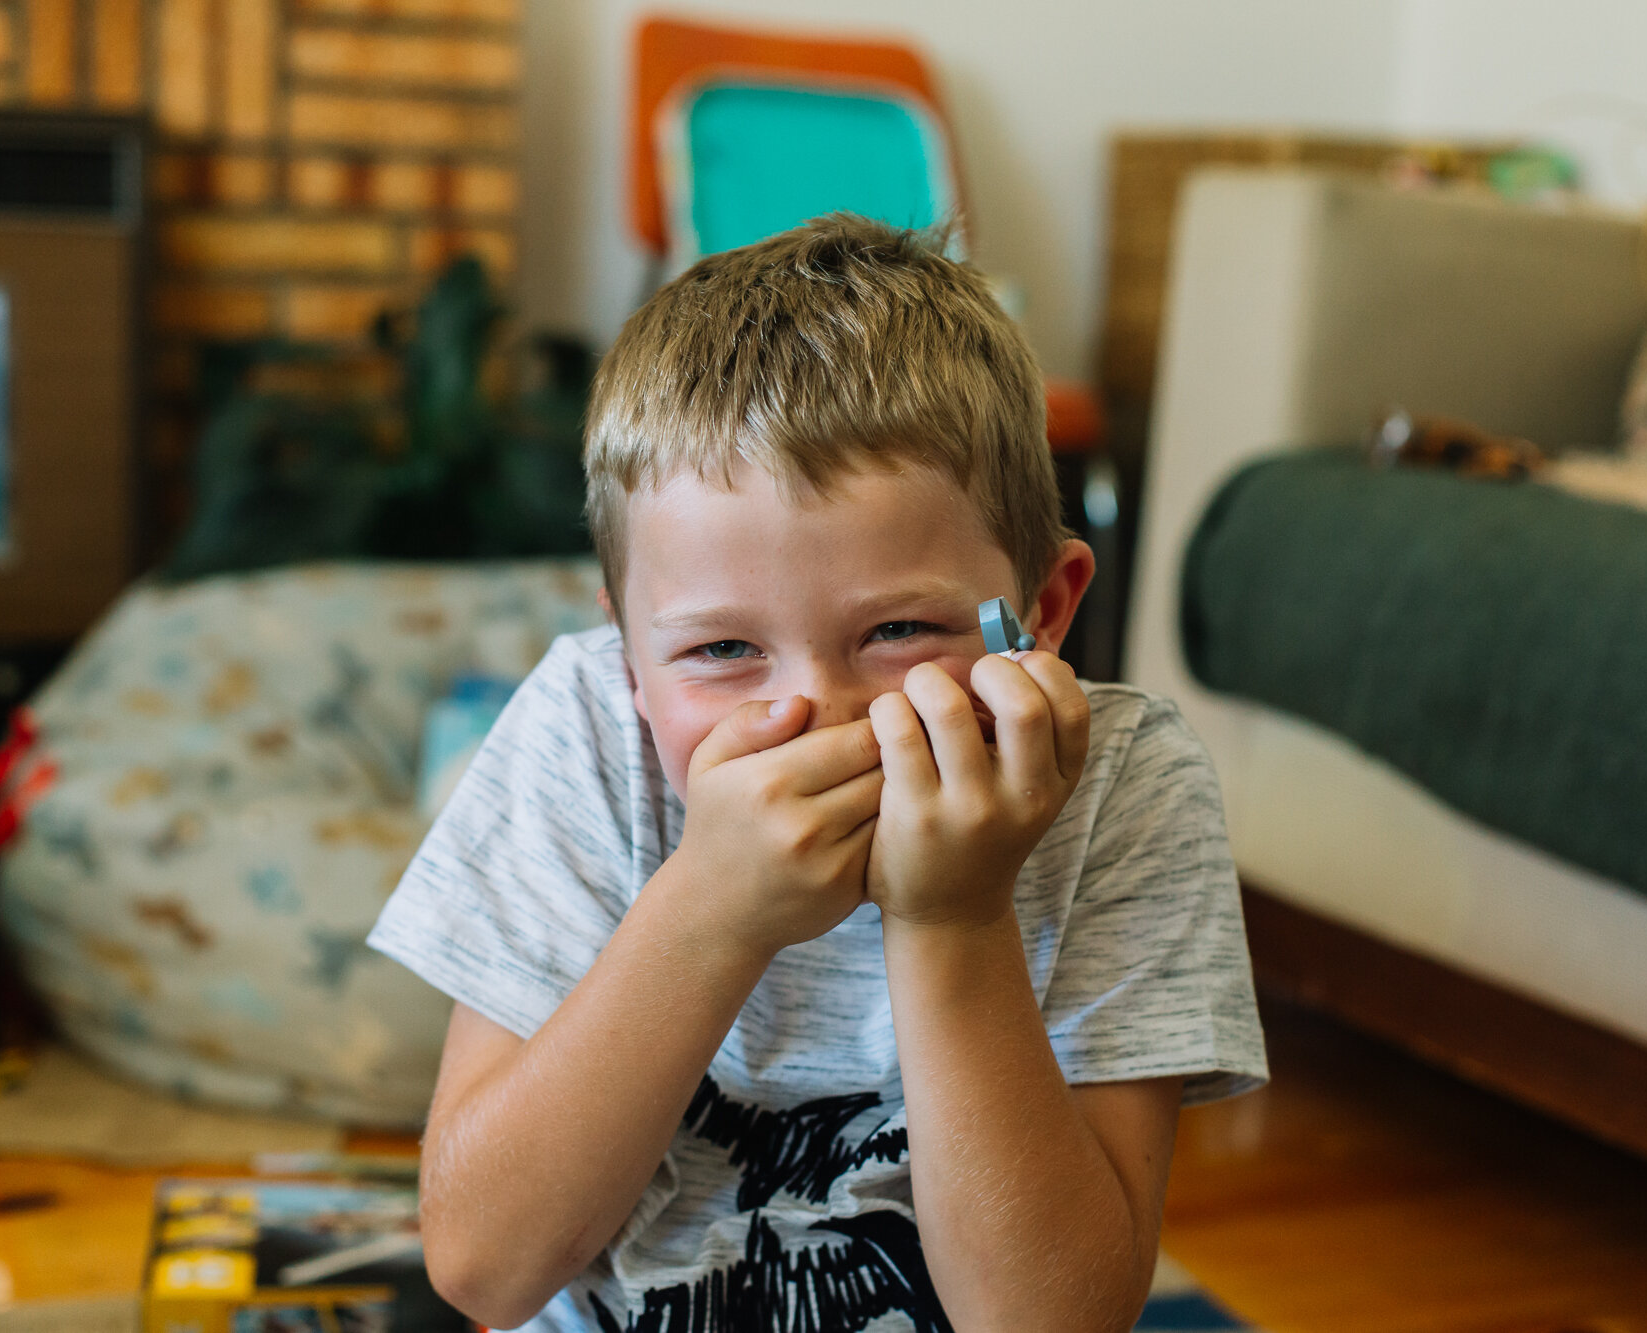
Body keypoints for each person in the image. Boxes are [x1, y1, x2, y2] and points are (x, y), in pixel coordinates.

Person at [367, 213, 1266, 1332]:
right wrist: (709, 910)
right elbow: (483, 1268)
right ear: (629, 658)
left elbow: (1049, 1320)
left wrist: (954, 915)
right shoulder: (587, 734)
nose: (815, 714)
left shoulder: (1128, 788)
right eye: (720, 650)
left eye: (897, 627)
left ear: (1038, 614)